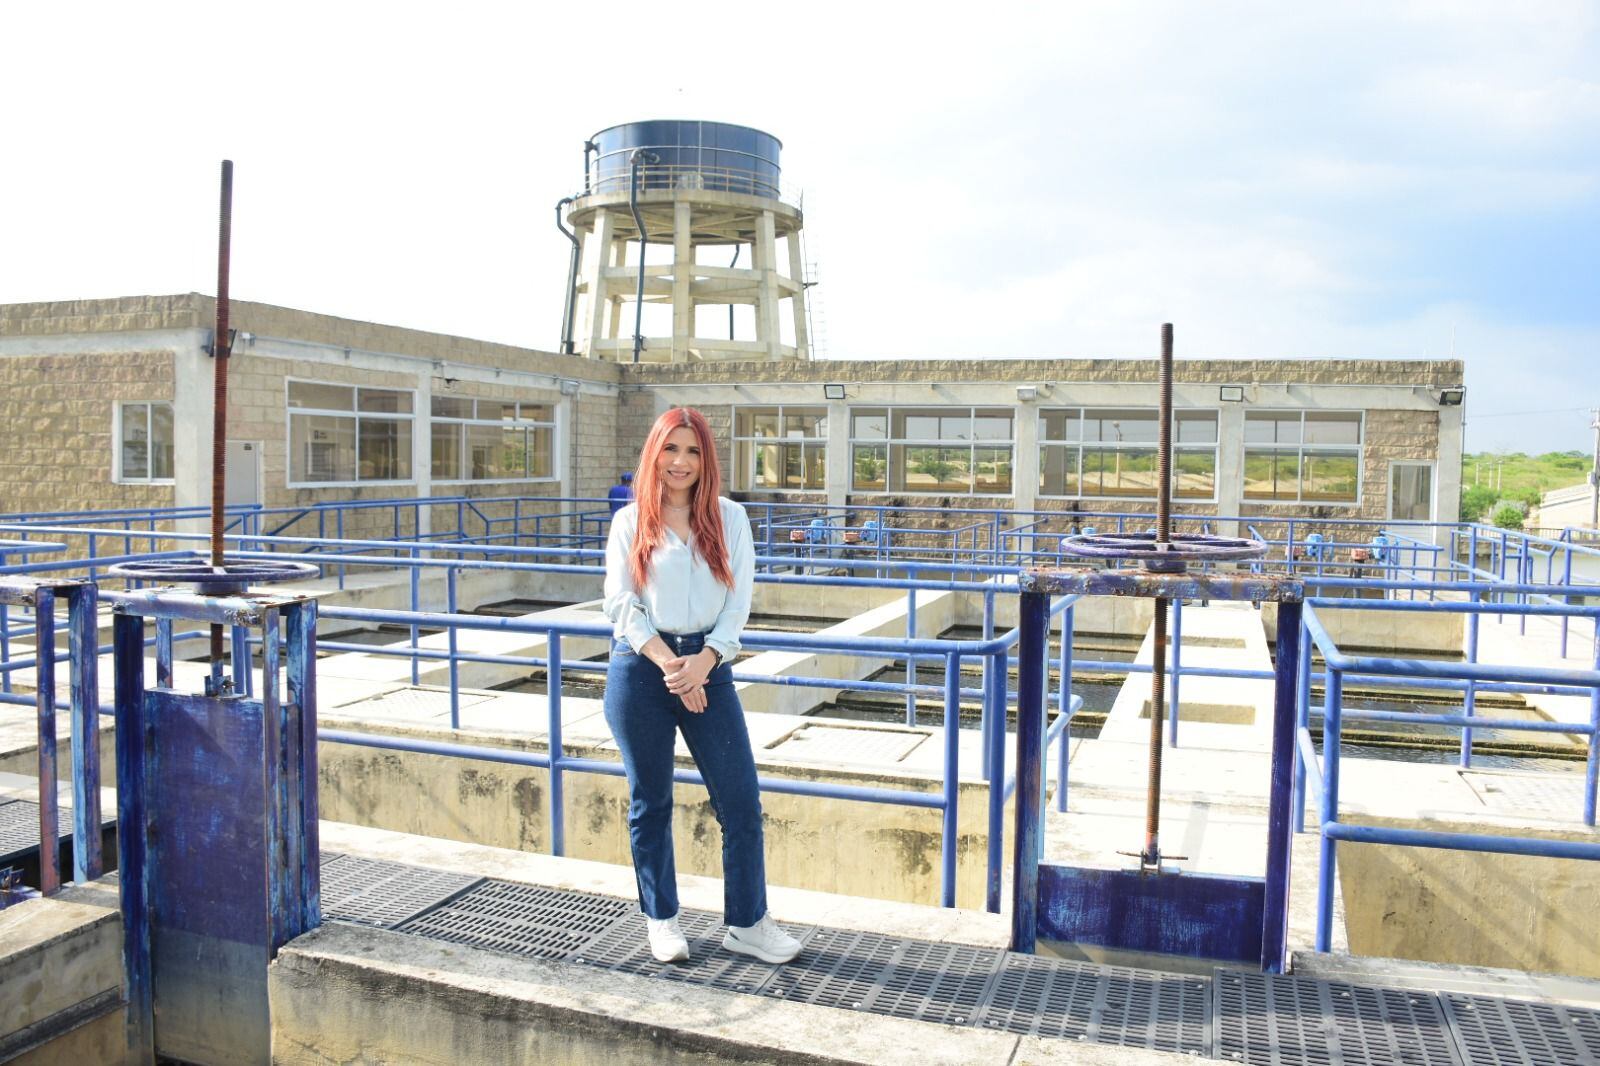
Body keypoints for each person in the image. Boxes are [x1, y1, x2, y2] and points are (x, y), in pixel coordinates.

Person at [602, 407, 802, 965]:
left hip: (710, 668)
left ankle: (748, 922)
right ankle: (661, 920)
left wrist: (705, 662)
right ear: (654, 454)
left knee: (740, 801)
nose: (681, 462)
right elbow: (621, 604)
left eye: (692, 451)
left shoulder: (730, 518)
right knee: (652, 801)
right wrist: (673, 666)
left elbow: (737, 607)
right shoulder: (630, 522)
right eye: (671, 449)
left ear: (706, 458)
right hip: (642, 668)